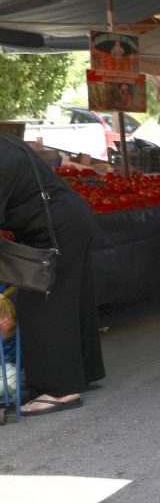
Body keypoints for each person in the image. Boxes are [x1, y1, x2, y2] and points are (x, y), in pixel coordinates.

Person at [0, 134, 105, 415]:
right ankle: (83, 372)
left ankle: (58, 390)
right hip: (70, 219)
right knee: (72, 300)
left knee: (42, 304)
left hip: (56, 228)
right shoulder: (6, 144)